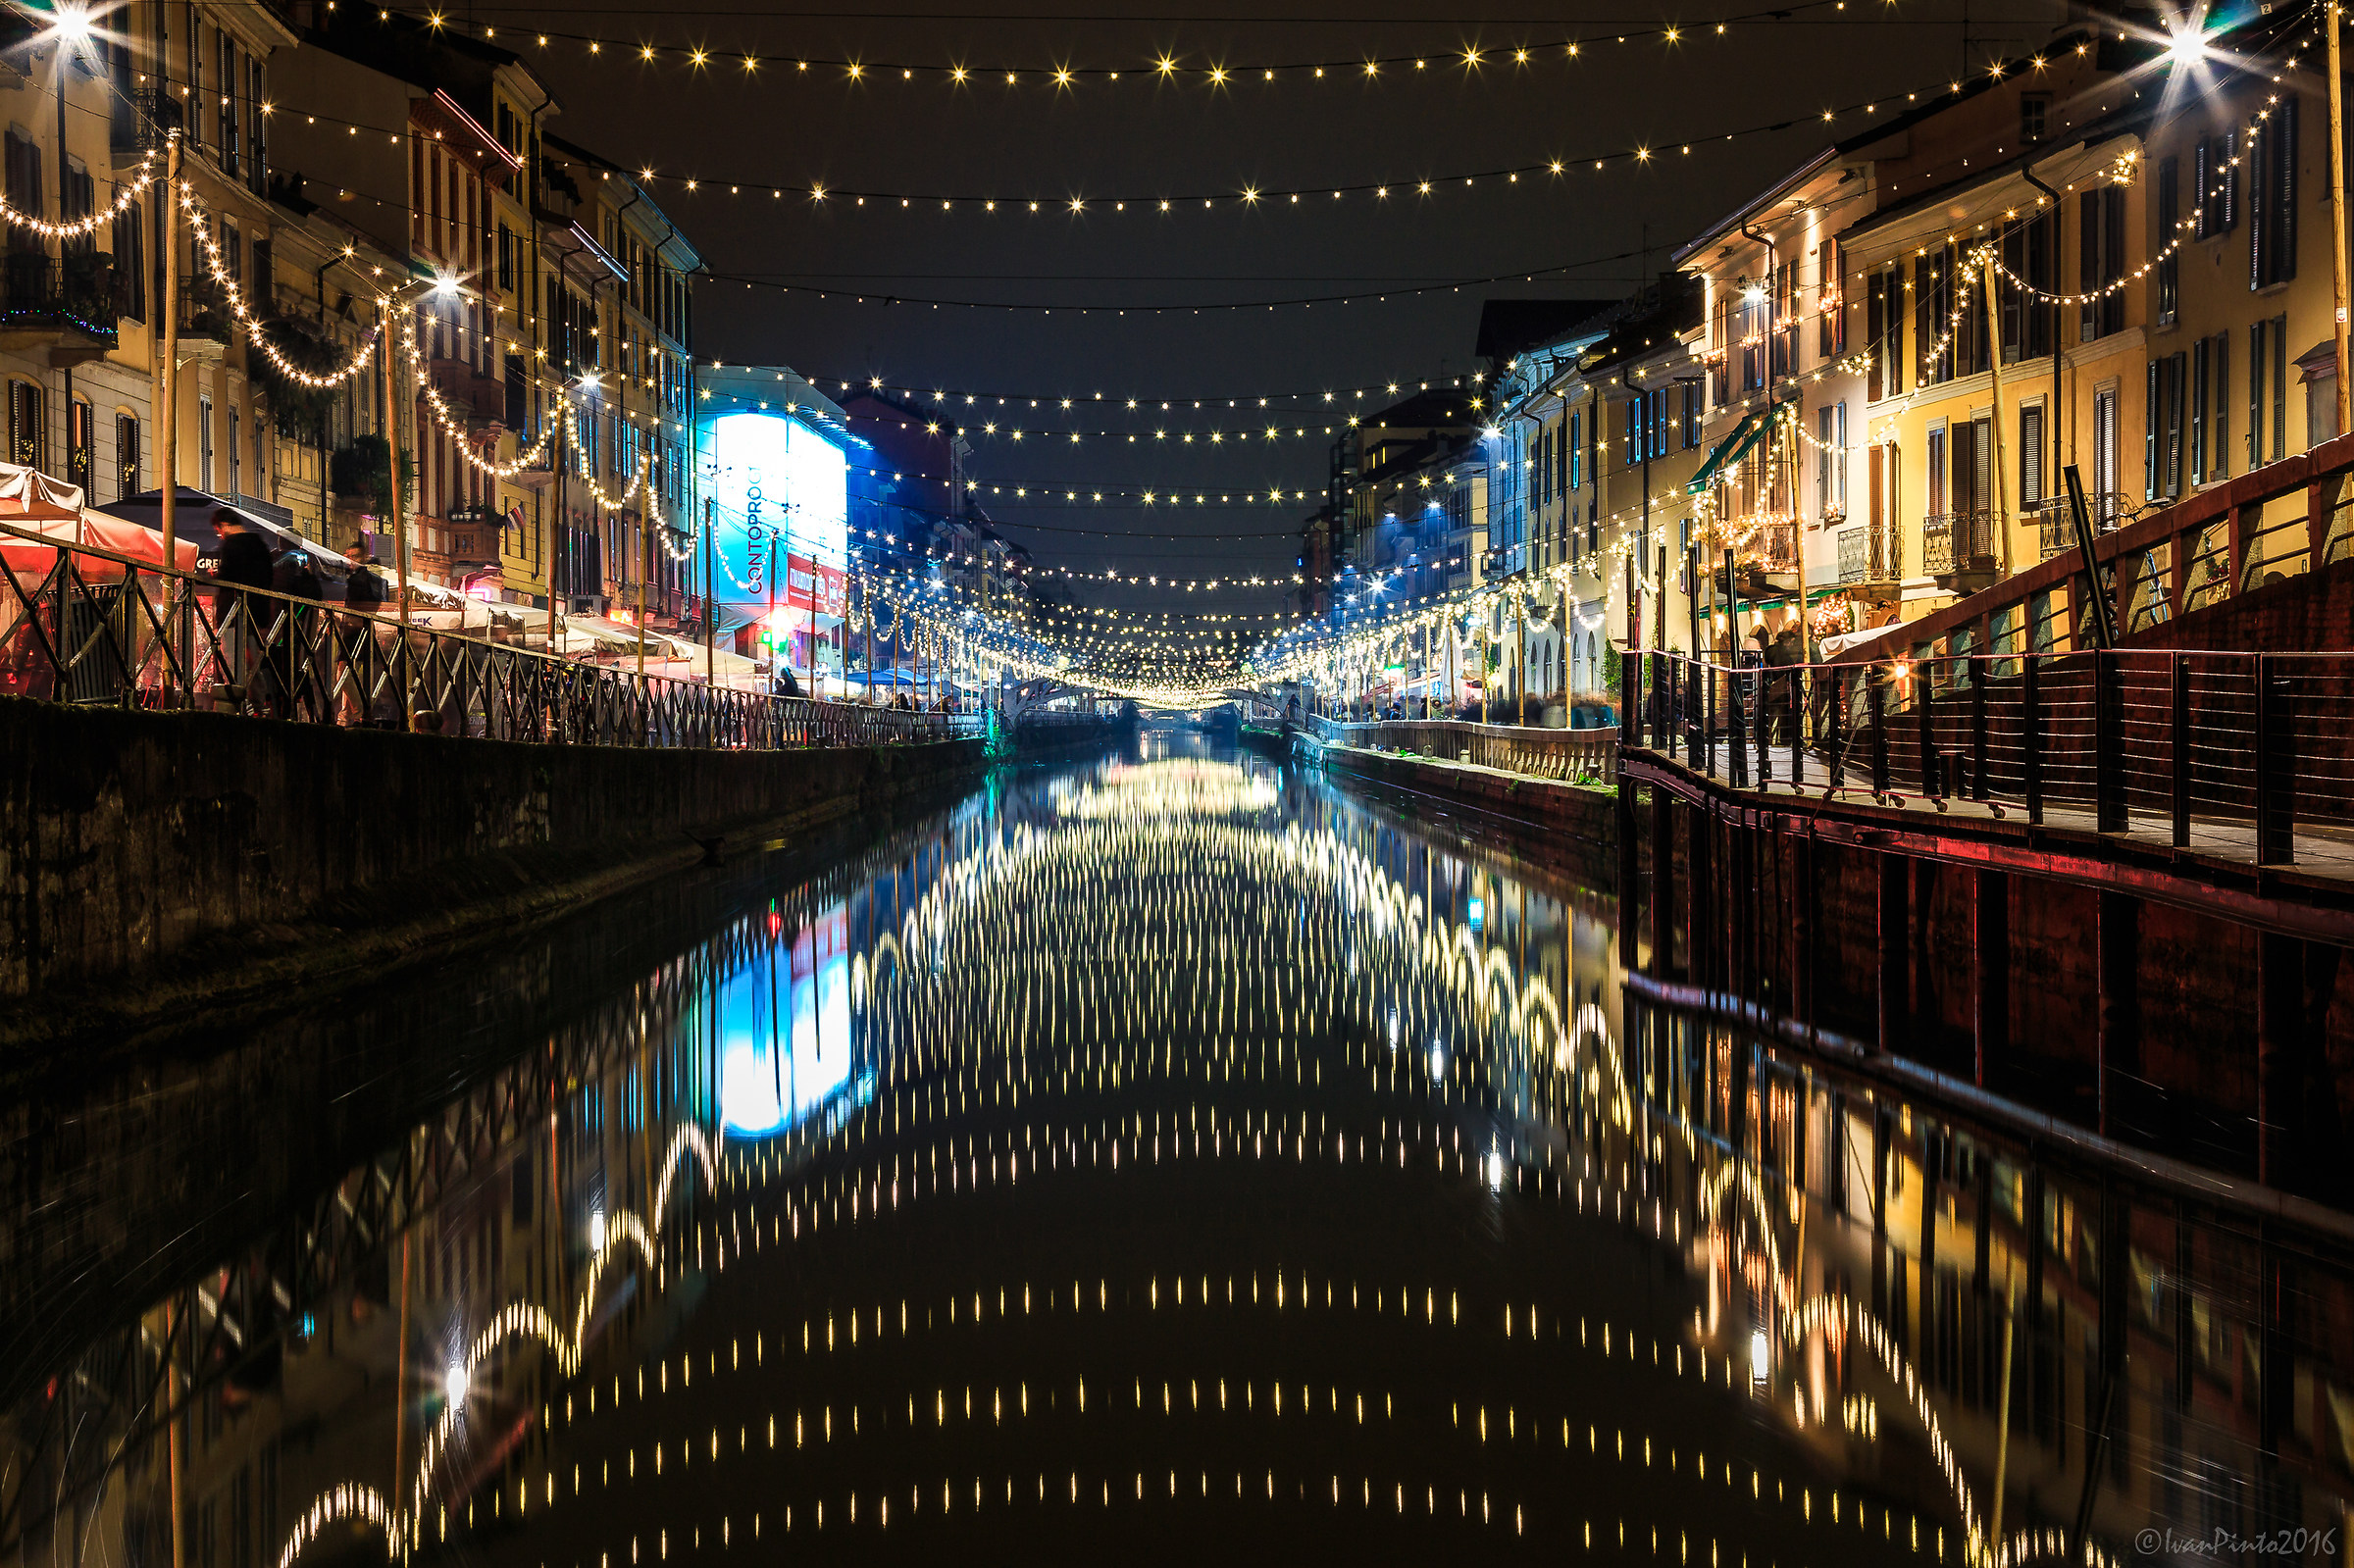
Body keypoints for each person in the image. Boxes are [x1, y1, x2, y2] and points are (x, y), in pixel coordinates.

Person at [208, 512, 273, 704]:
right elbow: (267, 578)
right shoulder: (260, 545)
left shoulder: (231, 545)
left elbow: (228, 576)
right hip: (257, 612)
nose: (220, 535)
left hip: (232, 612)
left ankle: (236, 703)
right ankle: (260, 704)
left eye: (218, 531)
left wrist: (215, 576)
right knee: (253, 662)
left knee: (231, 660)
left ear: (225, 525)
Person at [337, 542, 386, 725]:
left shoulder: (360, 579)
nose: (350, 560)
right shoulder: (364, 578)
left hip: (356, 630)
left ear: (363, 558)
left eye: (354, 556)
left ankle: (359, 712)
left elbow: (367, 605)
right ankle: (347, 715)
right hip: (357, 629)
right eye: (348, 555)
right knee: (349, 674)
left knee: (343, 674)